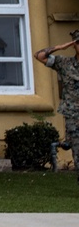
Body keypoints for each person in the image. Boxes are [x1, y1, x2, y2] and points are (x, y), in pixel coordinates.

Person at [35, 35, 79, 174]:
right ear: (74, 45)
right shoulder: (65, 63)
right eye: (78, 43)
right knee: (78, 150)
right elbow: (39, 55)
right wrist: (60, 47)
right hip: (73, 115)